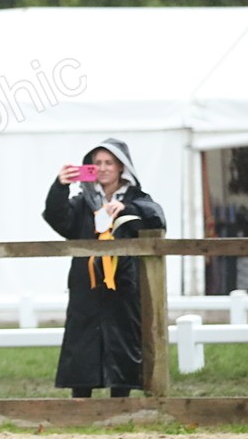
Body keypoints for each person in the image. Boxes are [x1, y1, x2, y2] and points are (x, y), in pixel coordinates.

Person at [43, 138, 166, 397]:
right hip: (86, 282)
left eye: (109, 162)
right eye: (97, 163)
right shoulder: (83, 202)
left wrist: (127, 209)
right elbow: (57, 218)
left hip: (124, 282)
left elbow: (156, 219)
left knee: (123, 338)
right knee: (82, 341)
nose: (103, 168)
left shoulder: (137, 199)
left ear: (121, 167)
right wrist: (60, 186)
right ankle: (81, 403)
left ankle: (121, 401)